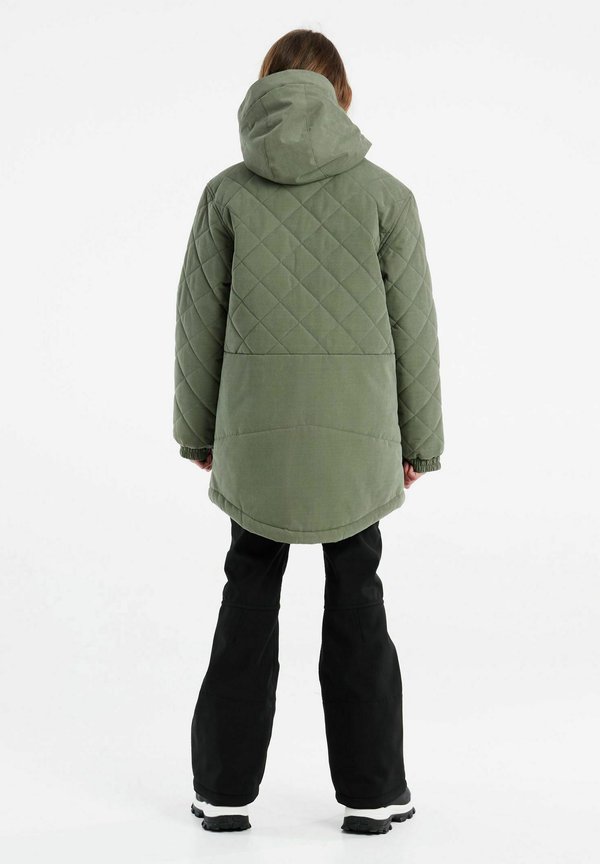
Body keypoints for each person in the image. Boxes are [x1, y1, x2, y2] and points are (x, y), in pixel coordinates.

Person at [172, 28, 444, 835]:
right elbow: (416, 331)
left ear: (265, 90)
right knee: (357, 597)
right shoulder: (387, 196)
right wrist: (419, 442)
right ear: (341, 95)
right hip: (359, 438)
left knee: (248, 592)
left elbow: (196, 325)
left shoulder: (226, 194)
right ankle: (372, 794)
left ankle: (223, 792)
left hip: (255, 435)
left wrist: (199, 433)